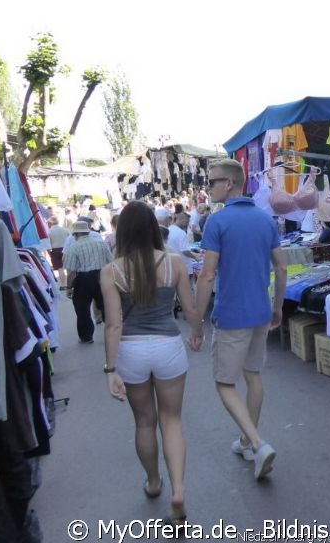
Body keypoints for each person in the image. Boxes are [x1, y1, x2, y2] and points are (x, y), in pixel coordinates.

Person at [99, 201, 202, 529]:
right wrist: (197, 333)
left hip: (131, 352)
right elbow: (189, 307)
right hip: (168, 347)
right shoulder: (174, 263)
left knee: (145, 423)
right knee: (171, 421)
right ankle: (179, 490)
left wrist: (110, 369)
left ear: (122, 232)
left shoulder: (111, 271)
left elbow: (113, 325)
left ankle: (154, 482)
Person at [195, 158, 287, 480]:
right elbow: (282, 266)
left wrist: (195, 323)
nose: (208, 189)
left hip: (232, 315)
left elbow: (206, 276)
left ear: (229, 184)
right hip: (261, 311)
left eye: (211, 182)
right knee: (253, 375)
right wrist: (277, 306)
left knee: (224, 383)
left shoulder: (216, 222)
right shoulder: (265, 219)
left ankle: (259, 444)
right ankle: (248, 441)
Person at [63, 221, 114, 343]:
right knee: (106, 306)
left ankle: (86, 336)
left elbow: (71, 271)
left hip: (83, 279)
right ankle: (113, 330)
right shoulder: (101, 243)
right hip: (101, 275)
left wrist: (69, 287)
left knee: (82, 309)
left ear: (75, 234)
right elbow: (110, 262)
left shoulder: (74, 247)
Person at [46, 216, 70, 289]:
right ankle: (70, 284)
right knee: (68, 268)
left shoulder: (49, 231)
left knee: (60, 269)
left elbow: (47, 244)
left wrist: (49, 253)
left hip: (55, 250)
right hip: (66, 249)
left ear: (50, 223)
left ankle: (63, 285)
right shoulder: (65, 230)